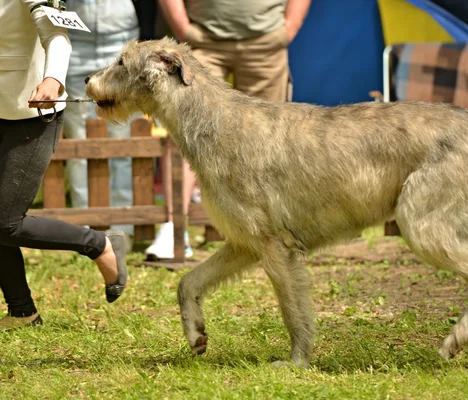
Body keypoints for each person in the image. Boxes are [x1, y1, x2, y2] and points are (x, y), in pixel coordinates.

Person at [143, 0, 312, 261]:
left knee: (270, 140)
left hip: (266, 41)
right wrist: (185, 30)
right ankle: (174, 230)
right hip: (200, 41)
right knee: (184, 133)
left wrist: (289, 27)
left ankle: (270, 232)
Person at [0, 0, 128, 330]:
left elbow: (57, 34)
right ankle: (22, 312)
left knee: (5, 223)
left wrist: (53, 78)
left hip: (27, 110)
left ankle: (100, 244)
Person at [62, 0, 143, 243]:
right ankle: (82, 228)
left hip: (121, 43)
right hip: (74, 45)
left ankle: (122, 228)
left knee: (122, 145)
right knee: (78, 146)